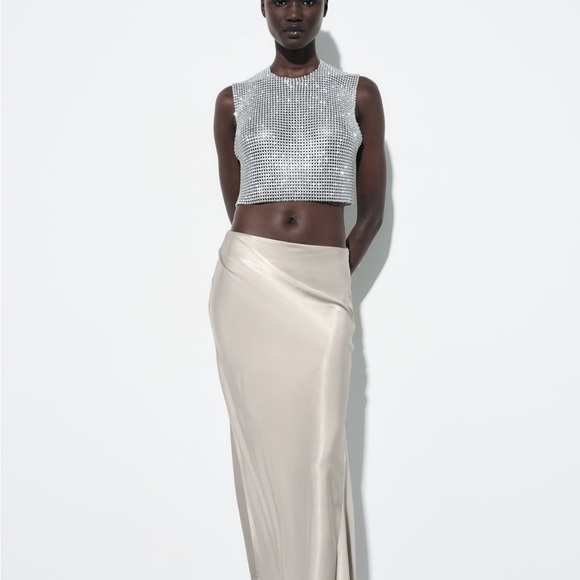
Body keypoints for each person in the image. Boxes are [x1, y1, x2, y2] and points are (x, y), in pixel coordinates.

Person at [209, 0, 386, 578]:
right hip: (250, 281)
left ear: (325, 6)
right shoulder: (233, 102)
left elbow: (371, 213)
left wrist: (328, 275)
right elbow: (236, 201)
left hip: (322, 286)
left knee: (320, 454)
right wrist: (271, 259)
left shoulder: (359, 95)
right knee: (263, 454)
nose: (294, 12)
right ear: (261, 7)